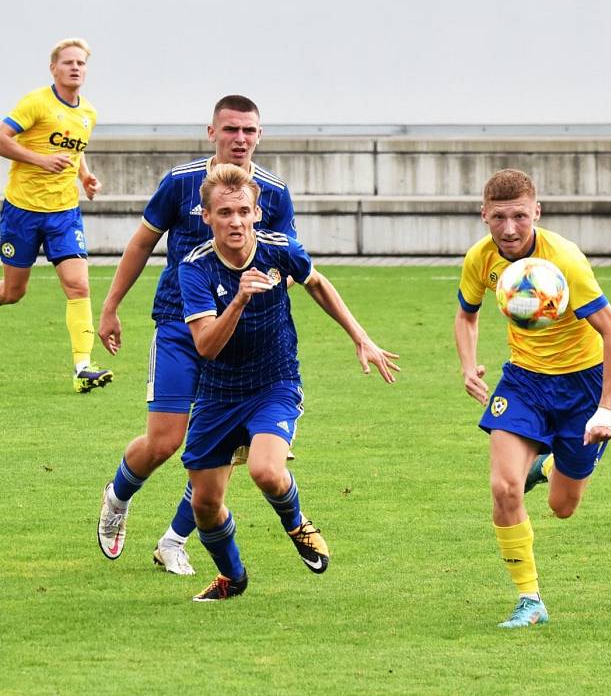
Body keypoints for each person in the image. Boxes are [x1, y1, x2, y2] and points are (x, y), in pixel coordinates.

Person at [179, 164, 399, 600]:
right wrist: (240, 299)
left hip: (274, 383)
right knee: (204, 504)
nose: (236, 221)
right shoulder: (195, 269)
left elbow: (317, 284)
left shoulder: (281, 249)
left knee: (265, 469)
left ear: (257, 212)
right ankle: (233, 578)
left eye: (244, 210)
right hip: (218, 393)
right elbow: (205, 346)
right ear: (207, 216)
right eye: (224, 212)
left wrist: (361, 338)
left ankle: (297, 523)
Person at [96, 96, 296, 575]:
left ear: (260, 135)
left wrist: (259, 300)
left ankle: (173, 540)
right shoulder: (180, 182)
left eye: (249, 131)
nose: (240, 139)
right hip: (178, 326)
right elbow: (143, 242)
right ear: (211, 132)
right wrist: (110, 305)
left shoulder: (273, 193)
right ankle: (118, 496)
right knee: (164, 441)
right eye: (231, 129)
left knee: (221, 446)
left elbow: (288, 262)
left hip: (240, 340)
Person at [454, 169, 611, 628]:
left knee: (561, 507)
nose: (509, 229)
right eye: (498, 218)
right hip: (524, 382)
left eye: (519, 217)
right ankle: (530, 600)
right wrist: (468, 366)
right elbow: (466, 315)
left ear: (537, 212)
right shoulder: (481, 258)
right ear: (484, 215)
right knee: (503, 486)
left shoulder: (565, 260)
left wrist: (606, 408)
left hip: (585, 386)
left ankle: (549, 464)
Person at [0, 38, 112, 394]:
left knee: (79, 285)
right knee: (12, 291)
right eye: (68, 62)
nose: (75, 68)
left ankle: (82, 367)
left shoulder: (89, 113)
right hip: (22, 212)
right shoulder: (36, 102)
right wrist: (40, 160)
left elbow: (75, 147)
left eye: (81, 63)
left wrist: (85, 176)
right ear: (53, 68)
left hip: (64, 213)